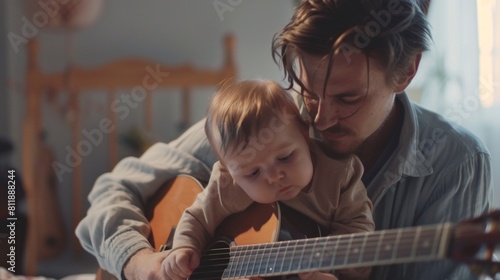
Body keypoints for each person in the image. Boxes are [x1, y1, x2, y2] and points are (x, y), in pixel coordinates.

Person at [76, 0, 493, 279]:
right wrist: (141, 262)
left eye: (348, 97)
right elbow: (115, 189)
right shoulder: (272, 120)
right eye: (309, 91)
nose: (319, 116)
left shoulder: (457, 164)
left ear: (406, 73)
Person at [163, 79, 374, 280]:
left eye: (284, 158)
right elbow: (197, 217)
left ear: (304, 131)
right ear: (230, 172)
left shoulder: (340, 176)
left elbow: (359, 246)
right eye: (253, 173)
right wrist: (184, 247)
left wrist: (328, 273)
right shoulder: (230, 185)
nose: (274, 177)